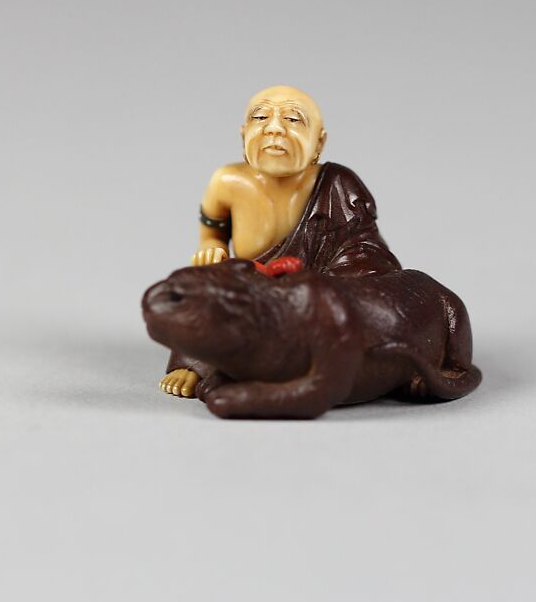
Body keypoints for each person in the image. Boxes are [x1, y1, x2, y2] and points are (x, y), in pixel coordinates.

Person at [160, 85, 401, 398]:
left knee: (355, 308)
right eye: (261, 117)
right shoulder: (227, 182)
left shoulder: (338, 184)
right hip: (250, 286)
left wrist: (329, 286)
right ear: (243, 134)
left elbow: (366, 249)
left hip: (313, 295)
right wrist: (211, 246)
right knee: (206, 293)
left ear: (319, 142)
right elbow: (211, 232)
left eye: (293, 119)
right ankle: (197, 364)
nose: (274, 128)